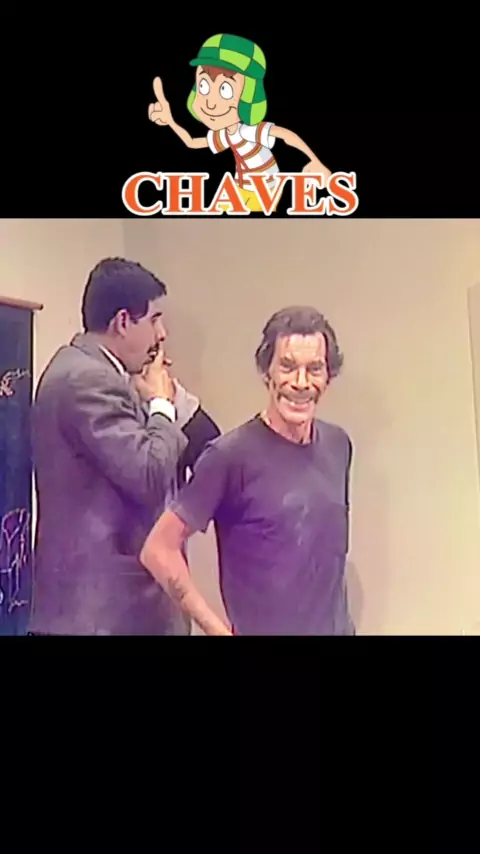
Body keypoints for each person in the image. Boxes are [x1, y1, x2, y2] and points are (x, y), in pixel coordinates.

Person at [29, 257, 220, 636]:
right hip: (101, 618)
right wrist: (161, 405)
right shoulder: (85, 380)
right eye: (154, 320)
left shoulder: (114, 376)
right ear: (122, 322)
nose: (161, 334)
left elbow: (208, 446)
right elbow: (148, 476)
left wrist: (168, 397)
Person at [139, 305, 355, 636]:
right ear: (267, 372)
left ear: (328, 376)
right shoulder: (230, 457)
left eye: (314, 369)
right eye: (287, 367)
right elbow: (158, 550)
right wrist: (217, 631)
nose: (301, 383)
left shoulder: (338, 445)